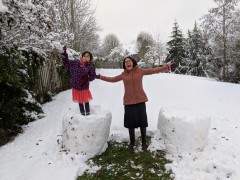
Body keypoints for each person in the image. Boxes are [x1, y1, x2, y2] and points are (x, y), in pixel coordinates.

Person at [95, 56, 177, 151]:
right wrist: (100, 77)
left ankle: (144, 142)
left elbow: (154, 70)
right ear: (124, 65)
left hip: (140, 101)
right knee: (131, 124)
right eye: (126, 62)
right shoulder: (123, 75)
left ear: (133, 62)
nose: (128, 63)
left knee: (142, 123)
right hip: (128, 102)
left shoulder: (140, 71)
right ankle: (132, 142)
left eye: (129, 61)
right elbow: (112, 79)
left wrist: (168, 67)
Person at [61, 46, 96, 116]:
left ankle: (88, 114)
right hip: (76, 85)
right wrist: (65, 55)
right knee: (80, 101)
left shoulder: (90, 67)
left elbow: (93, 76)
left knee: (86, 100)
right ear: (82, 57)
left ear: (90, 59)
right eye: (85, 56)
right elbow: (66, 63)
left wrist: (87, 79)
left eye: (88, 56)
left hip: (84, 86)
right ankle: (82, 114)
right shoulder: (75, 63)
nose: (86, 57)